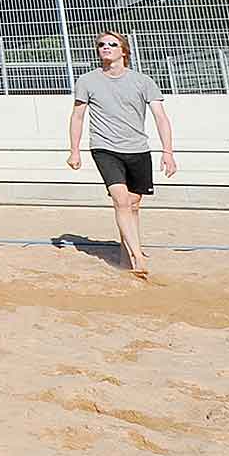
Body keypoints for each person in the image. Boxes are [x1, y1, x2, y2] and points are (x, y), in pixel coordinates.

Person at [67, 28, 178, 279]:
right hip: (104, 148)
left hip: (137, 149)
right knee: (120, 199)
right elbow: (77, 116)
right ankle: (137, 256)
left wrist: (168, 152)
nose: (105, 47)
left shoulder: (143, 81)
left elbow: (160, 117)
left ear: (124, 51)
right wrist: (75, 151)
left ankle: (125, 250)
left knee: (133, 203)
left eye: (111, 44)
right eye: (101, 44)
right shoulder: (86, 81)